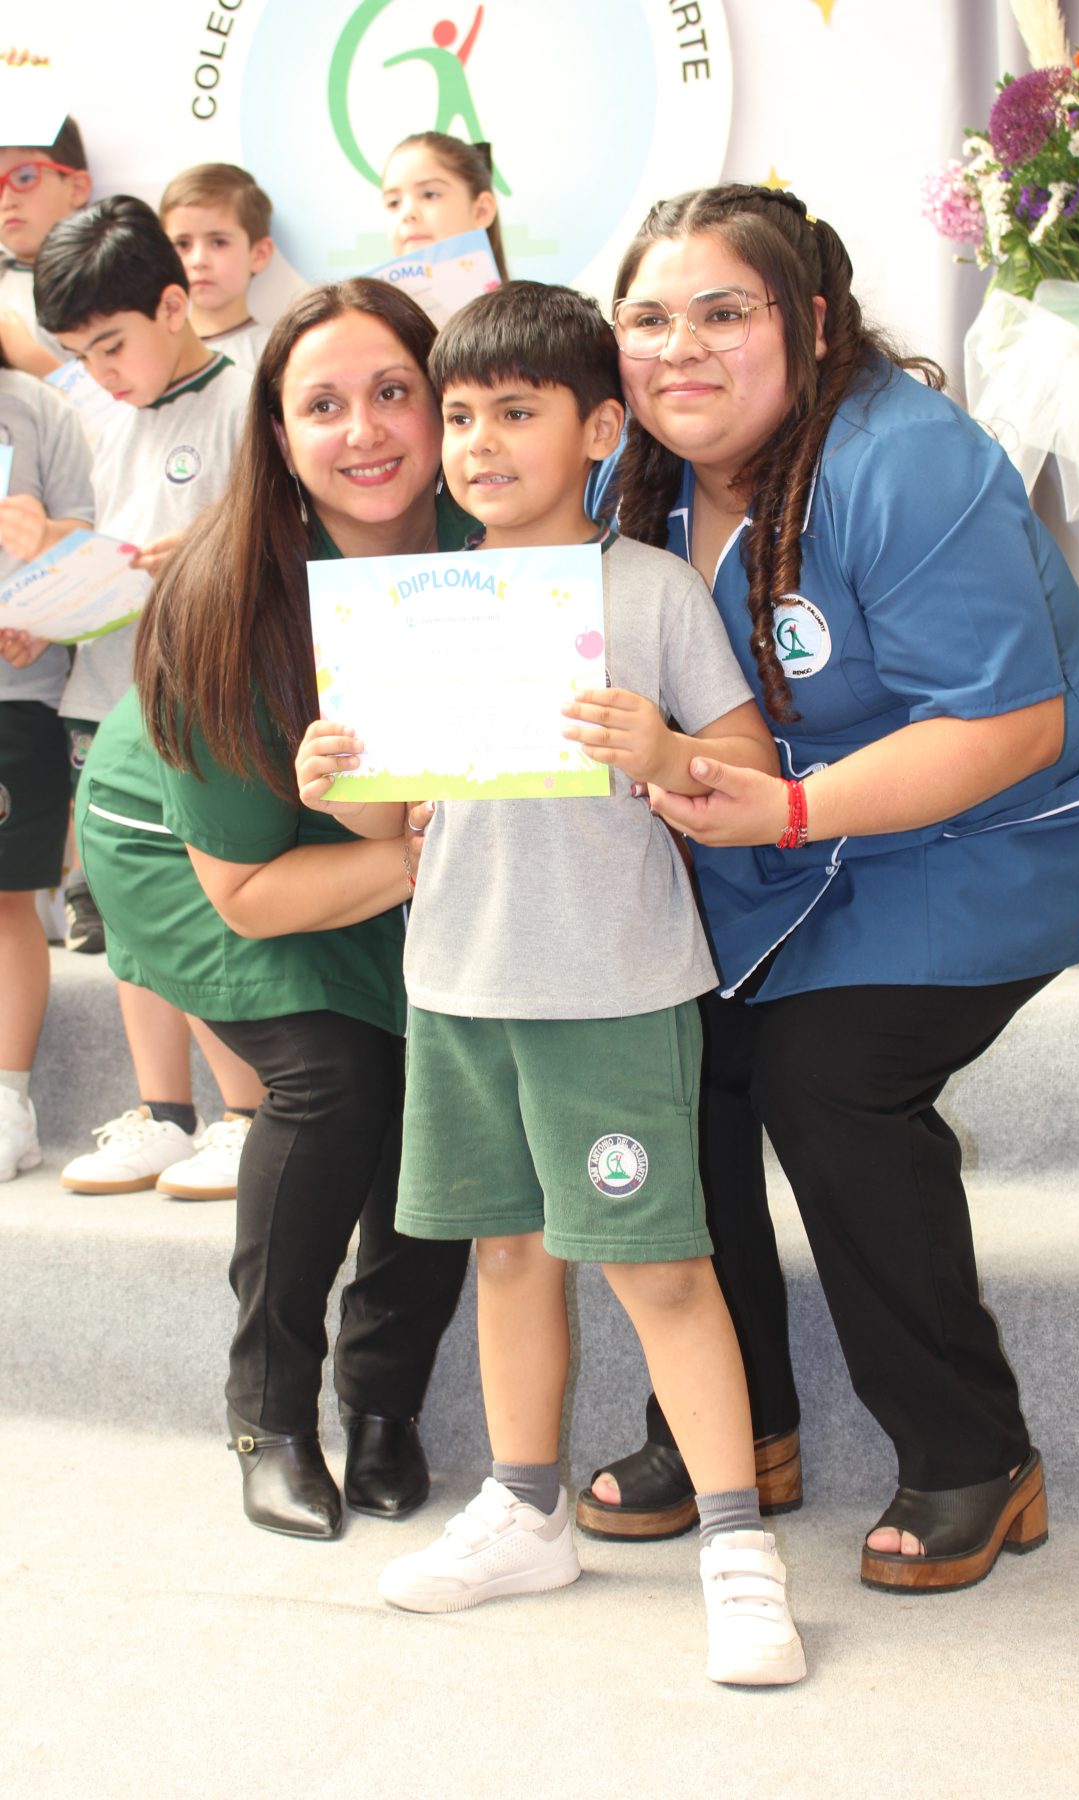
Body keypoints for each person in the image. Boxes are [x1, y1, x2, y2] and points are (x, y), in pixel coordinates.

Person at [582, 183, 1079, 1594]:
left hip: (990, 834)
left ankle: (972, 1451)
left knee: (828, 1079)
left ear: (811, 322)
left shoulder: (903, 458)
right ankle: (737, 1432)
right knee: (671, 1048)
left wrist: (784, 806)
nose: (682, 348)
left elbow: (1008, 727)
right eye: (650, 318)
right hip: (778, 841)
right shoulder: (632, 481)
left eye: (726, 311)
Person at [299, 280, 805, 1686]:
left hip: (614, 988)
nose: (476, 442)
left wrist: (659, 751)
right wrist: (330, 780)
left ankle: (733, 1544)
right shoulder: (419, 604)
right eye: (457, 414)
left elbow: (751, 772)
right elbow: (391, 823)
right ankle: (527, 1508)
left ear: (597, 426)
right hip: (459, 985)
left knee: (659, 1270)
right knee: (506, 1250)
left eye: (516, 413)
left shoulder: (648, 589)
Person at [75, 277, 474, 1538]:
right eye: (323, 404)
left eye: (393, 391)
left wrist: (440, 837)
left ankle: (387, 1407)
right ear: (280, 436)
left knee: (445, 1079)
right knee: (342, 1081)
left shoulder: (496, 542)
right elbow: (246, 893)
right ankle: (268, 1415)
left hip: (392, 834)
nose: (364, 430)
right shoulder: (222, 598)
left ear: (443, 402)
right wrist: (434, 851)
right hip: (208, 852)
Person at [30, 193, 263, 1198]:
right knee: (120, 911)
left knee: (198, 909)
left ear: (175, 306)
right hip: (98, 695)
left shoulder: (250, 401)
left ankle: (247, 1114)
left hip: (201, 711)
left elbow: (275, 554)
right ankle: (163, 1112)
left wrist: (202, 559)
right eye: (79, 354)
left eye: (113, 345)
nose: (100, 372)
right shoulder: (87, 413)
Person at [0, 338, 94, 1180]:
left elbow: (90, 549)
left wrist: (42, 600)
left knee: (2, 902)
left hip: (13, 694)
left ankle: (7, 1103)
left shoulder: (38, 410)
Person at [160, 163, 276, 372]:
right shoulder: (154, 349)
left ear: (259, 254)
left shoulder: (276, 354)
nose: (198, 260)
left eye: (218, 242)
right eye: (183, 244)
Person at [0, 112, 91, 377]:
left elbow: (115, 410)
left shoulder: (103, 281)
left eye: (25, 178)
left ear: (77, 188)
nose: (7, 201)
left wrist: (28, 357)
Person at [381, 131, 508, 277]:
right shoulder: (364, 298)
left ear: (481, 211)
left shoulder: (527, 299)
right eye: (393, 203)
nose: (408, 214)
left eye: (430, 195)